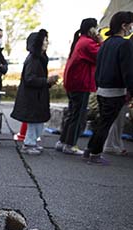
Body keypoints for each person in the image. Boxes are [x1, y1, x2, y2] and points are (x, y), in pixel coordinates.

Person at [84, 11, 133, 165]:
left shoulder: (106, 44)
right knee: (105, 124)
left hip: (102, 89)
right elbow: (128, 71)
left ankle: (89, 150)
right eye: (130, 26)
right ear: (124, 26)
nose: (131, 29)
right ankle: (95, 154)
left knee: (101, 122)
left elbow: (99, 68)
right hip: (116, 91)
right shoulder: (125, 44)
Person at [56, 18, 102, 155]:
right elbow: (102, 55)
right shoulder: (88, 43)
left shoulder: (81, 41)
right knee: (78, 116)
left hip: (74, 83)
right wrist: (100, 40)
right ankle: (70, 145)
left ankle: (63, 141)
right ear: (91, 29)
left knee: (72, 114)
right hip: (81, 84)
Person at [10, 29, 59, 155]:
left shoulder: (39, 58)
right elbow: (29, 79)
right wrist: (46, 81)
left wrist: (47, 82)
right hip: (32, 97)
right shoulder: (33, 59)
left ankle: (32, 143)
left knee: (37, 121)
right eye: (45, 40)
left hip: (37, 96)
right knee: (33, 122)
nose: (47, 43)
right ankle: (28, 144)